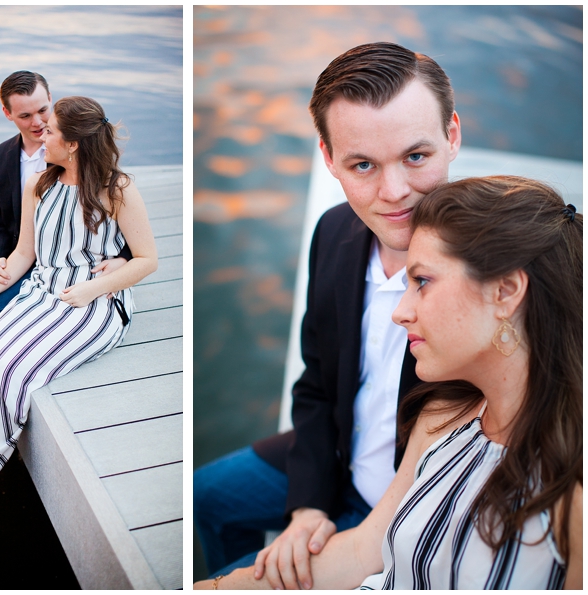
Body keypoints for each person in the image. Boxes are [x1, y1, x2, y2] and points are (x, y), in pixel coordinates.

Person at [196, 175, 582, 589]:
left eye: (422, 282)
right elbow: (364, 550)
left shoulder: (572, 494)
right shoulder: (444, 414)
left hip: (372, 499)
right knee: (209, 496)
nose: (400, 313)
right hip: (344, 471)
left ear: (505, 290)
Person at [194, 42, 460, 589]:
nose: (395, 193)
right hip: (333, 452)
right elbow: (316, 383)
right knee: (206, 496)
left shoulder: (486, 271)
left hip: (406, 501)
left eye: (416, 156)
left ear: (452, 135)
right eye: (363, 164)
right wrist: (308, 504)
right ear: (328, 158)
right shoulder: (335, 231)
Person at [0, 95, 157, 517]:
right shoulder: (38, 184)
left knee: (15, 370)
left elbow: (148, 260)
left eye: (52, 131)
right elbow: (25, 253)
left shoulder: (118, 190)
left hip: (93, 302)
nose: (42, 135)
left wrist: (95, 290)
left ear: (74, 143)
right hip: (42, 290)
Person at [0, 71, 130, 463]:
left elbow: (116, 229)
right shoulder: (2, 156)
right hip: (12, 257)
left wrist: (121, 261)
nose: (37, 123)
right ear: (7, 114)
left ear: (52, 104)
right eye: (26, 115)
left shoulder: (82, 160)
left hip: (48, 268)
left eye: (43, 112)